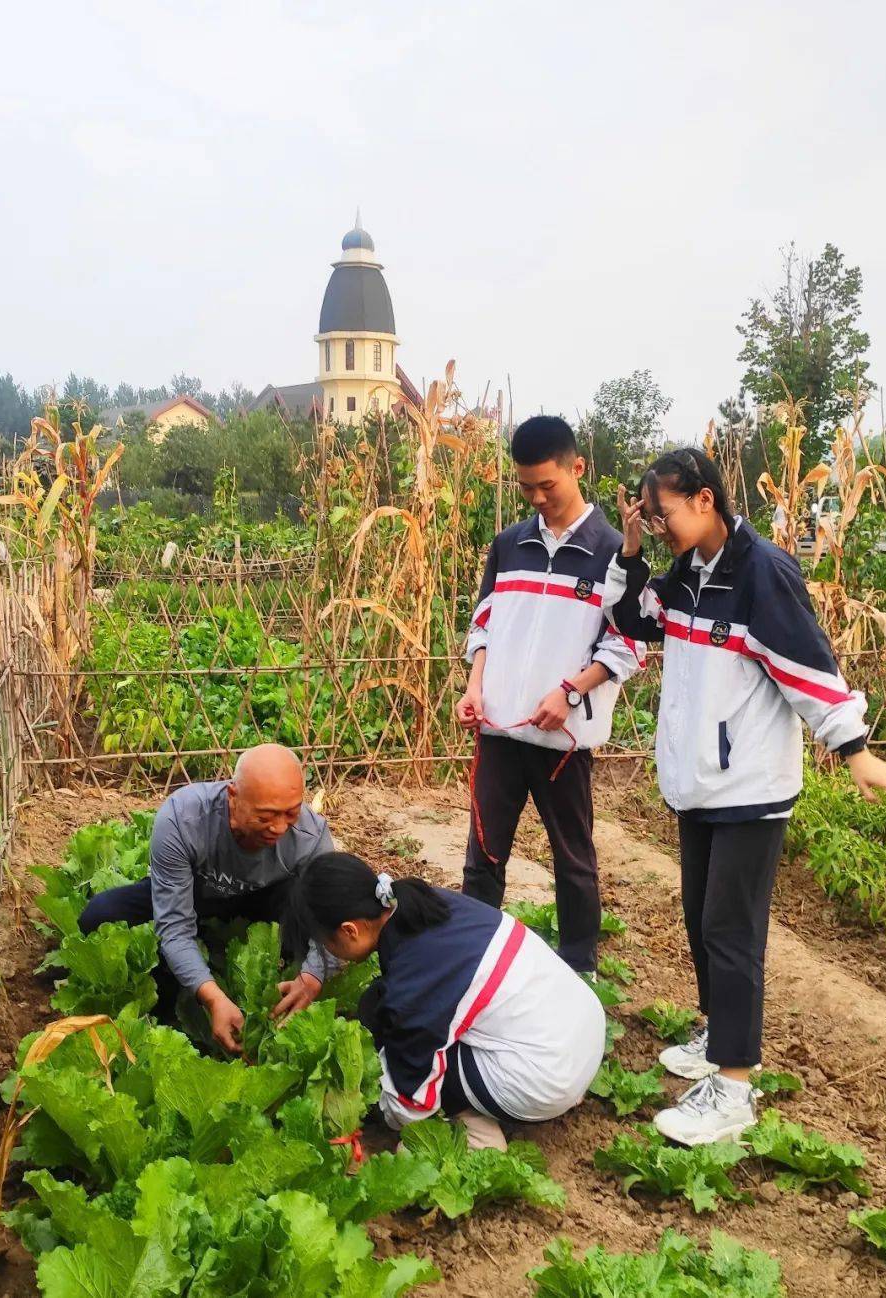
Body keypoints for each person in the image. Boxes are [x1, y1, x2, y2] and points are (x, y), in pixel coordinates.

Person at [606, 448, 886, 1145]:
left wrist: (852, 747)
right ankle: (718, 1031)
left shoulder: (761, 572)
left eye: (665, 513)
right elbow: (632, 623)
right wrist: (629, 553)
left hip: (750, 788)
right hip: (699, 786)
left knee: (730, 929)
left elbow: (808, 662)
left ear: (705, 500)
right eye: (650, 518)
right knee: (697, 916)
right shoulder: (687, 576)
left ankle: (735, 1086)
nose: (658, 526)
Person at [456, 415, 645, 975]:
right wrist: (474, 684)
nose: (537, 498)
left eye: (548, 485)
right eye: (525, 487)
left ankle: (579, 969)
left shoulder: (614, 551)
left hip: (563, 740)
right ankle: (473, 958)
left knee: (573, 857)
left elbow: (627, 644)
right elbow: (484, 624)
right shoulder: (509, 544)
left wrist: (570, 691)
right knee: (483, 854)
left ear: (576, 468)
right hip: (500, 731)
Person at [289, 851, 605, 1150]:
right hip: (580, 1029)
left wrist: (373, 1100)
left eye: (327, 944)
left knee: (398, 1070)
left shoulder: (416, 983)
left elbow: (409, 1106)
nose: (330, 954)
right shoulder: (426, 901)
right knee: (379, 1009)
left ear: (349, 930)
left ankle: (472, 1136)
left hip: (546, 1080)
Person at [77, 744, 334, 1053]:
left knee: (313, 906)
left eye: (291, 812)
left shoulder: (310, 836)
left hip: (265, 903)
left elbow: (333, 914)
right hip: (195, 895)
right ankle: (180, 990)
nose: (279, 827)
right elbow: (174, 925)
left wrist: (313, 976)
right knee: (99, 915)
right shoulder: (184, 818)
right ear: (233, 796)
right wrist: (212, 997)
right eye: (265, 816)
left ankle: (270, 974)